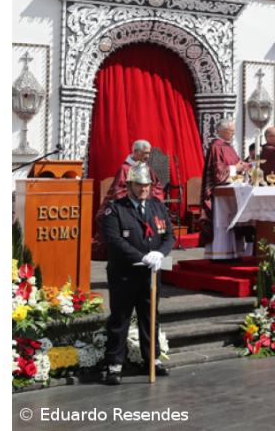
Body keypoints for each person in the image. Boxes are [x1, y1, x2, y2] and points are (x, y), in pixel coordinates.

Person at [99, 163, 173, 385]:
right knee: (120, 318)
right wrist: (141, 257)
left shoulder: (157, 207)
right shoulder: (116, 209)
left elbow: (169, 235)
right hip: (125, 273)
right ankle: (114, 364)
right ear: (129, 184)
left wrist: (160, 253)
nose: (144, 189)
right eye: (139, 185)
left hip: (151, 273)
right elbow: (114, 240)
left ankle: (152, 359)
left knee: (150, 317)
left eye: (147, 185)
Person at [199, 118, 247, 249]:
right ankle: (221, 252)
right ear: (223, 131)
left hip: (233, 190)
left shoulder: (228, 147)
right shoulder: (216, 147)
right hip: (220, 193)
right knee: (222, 223)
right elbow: (218, 174)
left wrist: (244, 166)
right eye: (231, 131)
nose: (233, 133)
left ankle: (233, 251)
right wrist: (236, 168)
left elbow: (237, 163)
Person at [101, 140, 165, 207]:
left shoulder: (147, 168)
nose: (148, 156)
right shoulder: (125, 169)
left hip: (148, 205)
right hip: (129, 206)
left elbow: (157, 186)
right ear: (136, 152)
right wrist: (136, 195)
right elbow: (118, 191)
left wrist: (148, 196)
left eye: (149, 153)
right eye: (145, 153)